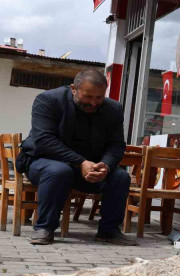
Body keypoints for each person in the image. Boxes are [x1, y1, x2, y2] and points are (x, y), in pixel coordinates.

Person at [18, 69, 137, 246]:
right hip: (42, 161)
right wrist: (80, 162)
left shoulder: (113, 109)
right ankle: (44, 228)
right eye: (88, 97)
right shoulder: (48, 100)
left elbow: (117, 144)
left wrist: (105, 165)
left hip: (89, 167)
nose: (94, 103)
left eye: (99, 97)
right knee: (59, 171)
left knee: (120, 177)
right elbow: (44, 140)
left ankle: (109, 231)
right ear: (74, 88)